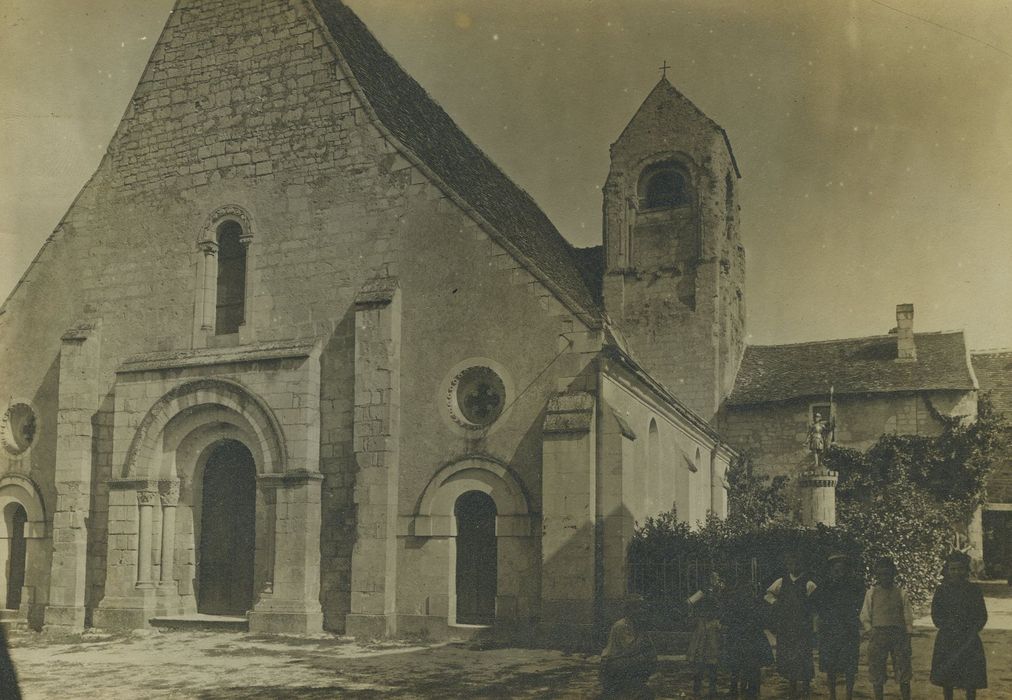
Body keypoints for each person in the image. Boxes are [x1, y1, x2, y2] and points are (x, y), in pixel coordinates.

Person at [930, 551, 988, 699]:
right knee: (947, 678)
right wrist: (948, 626)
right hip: (947, 639)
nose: (956, 572)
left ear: (966, 570)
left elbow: (982, 615)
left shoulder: (974, 590)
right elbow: (936, 615)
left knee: (970, 679)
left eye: (960, 569)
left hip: (969, 639)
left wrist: (972, 629)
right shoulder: (941, 590)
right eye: (953, 569)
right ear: (947, 571)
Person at [860, 556, 913, 700]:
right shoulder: (871, 593)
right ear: (877, 575)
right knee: (877, 670)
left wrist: (908, 634)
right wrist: (870, 630)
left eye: (888, 574)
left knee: (903, 669)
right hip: (878, 634)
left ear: (893, 574)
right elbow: (865, 614)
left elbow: (908, 616)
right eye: (881, 574)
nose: (885, 577)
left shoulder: (901, 593)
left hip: (898, 634)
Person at [765, 551, 816, 699]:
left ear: (802, 565)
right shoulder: (782, 581)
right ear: (787, 566)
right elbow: (768, 594)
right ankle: (792, 687)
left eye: (797, 563)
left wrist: (813, 625)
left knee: (803, 655)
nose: (794, 567)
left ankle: (806, 686)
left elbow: (814, 606)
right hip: (786, 625)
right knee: (789, 655)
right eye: (791, 564)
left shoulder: (809, 583)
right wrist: (777, 603)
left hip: (802, 626)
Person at [814, 553, 863, 700]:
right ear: (830, 570)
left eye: (842, 569)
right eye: (836, 570)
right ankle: (832, 695)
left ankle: (849, 694)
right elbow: (814, 603)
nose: (839, 573)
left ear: (847, 570)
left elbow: (863, 603)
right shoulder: (824, 586)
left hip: (849, 629)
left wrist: (856, 617)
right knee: (831, 665)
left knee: (849, 665)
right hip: (830, 630)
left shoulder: (854, 585)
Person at [722, 578, 773, 699]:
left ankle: (739, 688)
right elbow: (763, 620)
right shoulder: (754, 602)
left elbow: (726, 619)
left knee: (738, 665)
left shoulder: (735, 602)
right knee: (748, 665)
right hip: (749, 637)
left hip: (742, 637)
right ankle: (749, 689)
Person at [600, 595, 657, 699]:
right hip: (614, 663)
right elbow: (631, 648)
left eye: (642, 607)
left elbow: (650, 648)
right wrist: (642, 632)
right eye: (637, 608)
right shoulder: (621, 626)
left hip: (624, 661)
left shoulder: (634, 624)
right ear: (628, 610)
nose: (641, 611)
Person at [686, 572, 723, 698]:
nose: (716, 581)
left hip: (713, 626)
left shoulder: (720, 592)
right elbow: (689, 603)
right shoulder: (702, 592)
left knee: (713, 659)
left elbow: (721, 608)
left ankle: (713, 688)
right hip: (703, 626)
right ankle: (697, 687)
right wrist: (694, 617)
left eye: (717, 578)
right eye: (713, 578)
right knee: (700, 659)